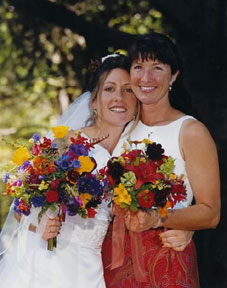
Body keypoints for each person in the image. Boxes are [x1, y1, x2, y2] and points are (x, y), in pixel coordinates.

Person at [0, 54, 138, 288]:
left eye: (128, 90)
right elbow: (21, 205)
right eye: (109, 89)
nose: (118, 98)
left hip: (90, 266)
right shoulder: (65, 143)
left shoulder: (134, 152)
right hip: (50, 258)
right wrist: (39, 224)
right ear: (94, 101)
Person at [102, 32, 220, 287]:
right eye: (138, 67)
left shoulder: (190, 131)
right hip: (115, 261)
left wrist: (158, 219)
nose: (146, 78)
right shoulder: (123, 127)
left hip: (165, 260)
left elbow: (211, 213)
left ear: (173, 75)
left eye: (157, 67)